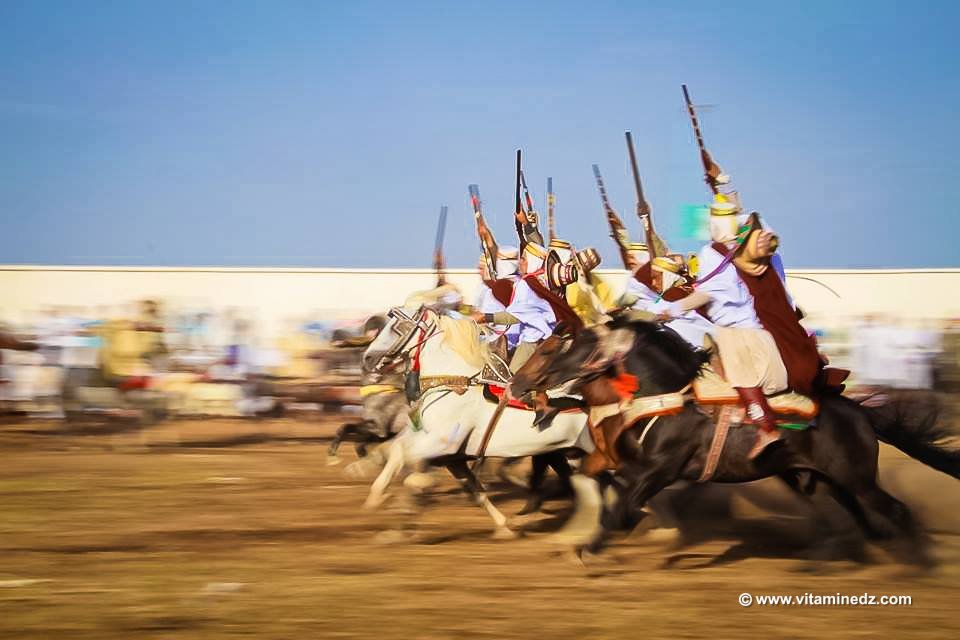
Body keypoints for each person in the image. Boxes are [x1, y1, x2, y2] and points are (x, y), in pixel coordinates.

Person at [661, 194, 823, 458]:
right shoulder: (766, 258)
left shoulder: (713, 253)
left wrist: (673, 309)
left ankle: (765, 426)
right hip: (763, 331)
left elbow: (708, 293)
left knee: (738, 376)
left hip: (740, 334)